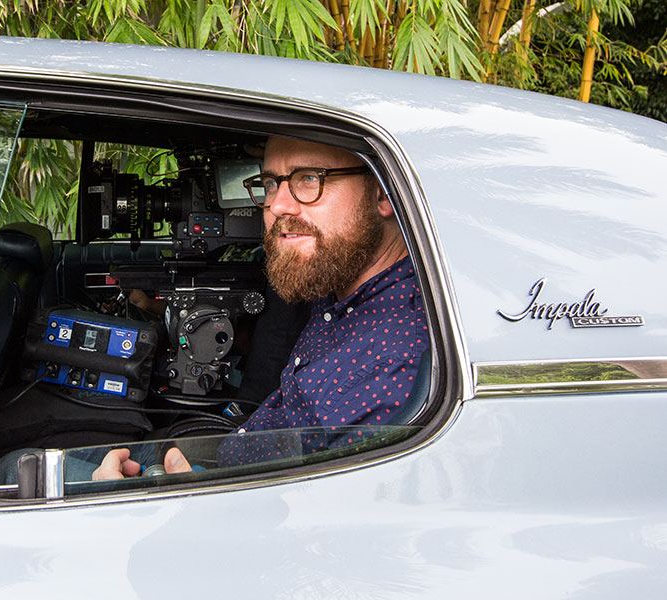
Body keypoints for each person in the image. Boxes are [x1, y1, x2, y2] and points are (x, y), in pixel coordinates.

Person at [92, 136, 428, 480]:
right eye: (270, 183)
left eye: (310, 178)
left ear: (384, 193)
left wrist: (172, 492)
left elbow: (312, 517)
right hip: (242, 449)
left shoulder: (393, 365)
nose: (277, 205)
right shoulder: (338, 290)